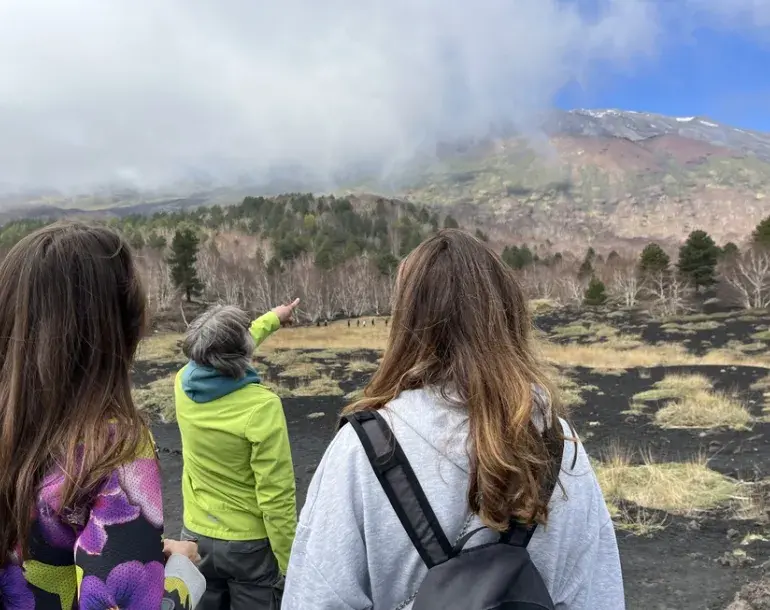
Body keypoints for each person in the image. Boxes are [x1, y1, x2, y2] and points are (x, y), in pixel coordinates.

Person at [283, 230, 624, 609]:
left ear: (407, 321)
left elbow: (314, 598)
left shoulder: (362, 452)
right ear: (508, 316)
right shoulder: (562, 446)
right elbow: (599, 597)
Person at [0, 221, 206, 610]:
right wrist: (181, 575)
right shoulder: (113, 445)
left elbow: (38, 546)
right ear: (120, 328)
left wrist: (145, 547)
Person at [175, 300, 300, 610]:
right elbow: (276, 497)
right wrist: (291, 563)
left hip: (195, 538)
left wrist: (272, 318)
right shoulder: (261, 407)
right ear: (241, 353)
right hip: (250, 550)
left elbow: (231, 348)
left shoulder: (181, 384)